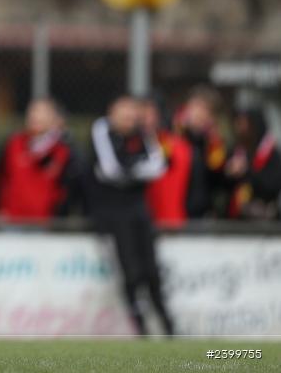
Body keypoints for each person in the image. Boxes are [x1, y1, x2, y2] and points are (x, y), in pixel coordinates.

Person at [86, 95, 175, 336]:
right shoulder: (101, 130)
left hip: (139, 209)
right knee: (132, 271)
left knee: (152, 272)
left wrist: (129, 170)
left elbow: (158, 167)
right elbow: (110, 170)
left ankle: (169, 328)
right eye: (123, 110)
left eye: (132, 111)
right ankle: (142, 329)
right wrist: (135, 168)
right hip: (114, 212)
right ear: (111, 111)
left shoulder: (143, 134)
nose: (128, 116)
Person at [0, 98, 76, 222]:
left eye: (42, 112)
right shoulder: (13, 144)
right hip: (11, 219)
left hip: (45, 223)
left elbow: (66, 190)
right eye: (32, 112)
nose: (35, 116)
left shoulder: (63, 150)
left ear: (54, 118)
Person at [174, 87, 226, 217]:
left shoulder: (212, 143)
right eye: (196, 108)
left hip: (202, 212)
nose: (199, 114)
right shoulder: (172, 136)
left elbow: (217, 178)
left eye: (205, 110)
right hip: (175, 212)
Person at [142, 96, 192, 228]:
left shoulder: (177, 147)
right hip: (142, 222)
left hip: (171, 221)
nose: (145, 120)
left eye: (149, 114)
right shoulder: (131, 146)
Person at [224, 109, 281, 220]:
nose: (241, 129)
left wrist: (247, 171)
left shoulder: (271, 154)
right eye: (238, 123)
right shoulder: (235, 151)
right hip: (235, 218)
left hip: (264, 218)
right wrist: (229, 173)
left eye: (245, 124)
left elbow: (272, 187)